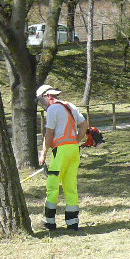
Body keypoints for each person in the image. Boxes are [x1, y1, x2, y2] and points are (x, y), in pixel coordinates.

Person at [36, 84, 88, 230]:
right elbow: (84, 125)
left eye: (42, 101)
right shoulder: (70, 106)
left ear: (48, 96)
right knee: (70, 186)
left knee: (52, 185)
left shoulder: (53, 109)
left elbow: (49, 134)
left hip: (61, 151)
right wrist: (75, 141)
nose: (43, 105)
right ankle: (73, 223)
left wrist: (43, 153)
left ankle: (49, 222)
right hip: (74, 150)